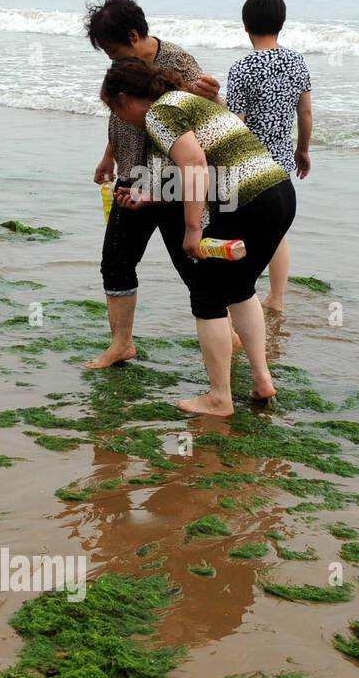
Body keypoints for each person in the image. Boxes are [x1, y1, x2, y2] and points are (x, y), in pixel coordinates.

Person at [101, 59, 294, 416]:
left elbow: (194, 165)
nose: (120, 119)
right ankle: (261, 379)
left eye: (114, 110)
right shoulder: (185, 102)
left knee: (208, 295)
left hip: (246, 201)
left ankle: (219, 398)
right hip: (278, 193)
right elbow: (202, 165)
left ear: (125, 99)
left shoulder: (160, 114)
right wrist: (148, 198)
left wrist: (193, 231)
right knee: (240, 289)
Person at [84, 0, 224, 369]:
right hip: (131, 174)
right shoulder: (123, 67)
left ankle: (229, 338)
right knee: (115, 261)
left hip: (173, 182)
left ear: (133, 35)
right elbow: (120, 113)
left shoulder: (176, 60)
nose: (111, 59)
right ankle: (121, 344)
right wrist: (109, 155)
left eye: (113, 49)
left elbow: (209, 118)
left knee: (191, 265)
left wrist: (207, 95)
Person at [226, 0, 312, 313]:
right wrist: (302, 150)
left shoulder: (243, 67)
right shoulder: (296, 60)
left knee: (241, 235)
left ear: (246, 26)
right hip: (282, 167)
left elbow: (234, 124)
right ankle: (277, 298)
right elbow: (305, 113)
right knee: (276, 232)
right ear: (282, 24)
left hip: (250, 170)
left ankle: (240, 301)